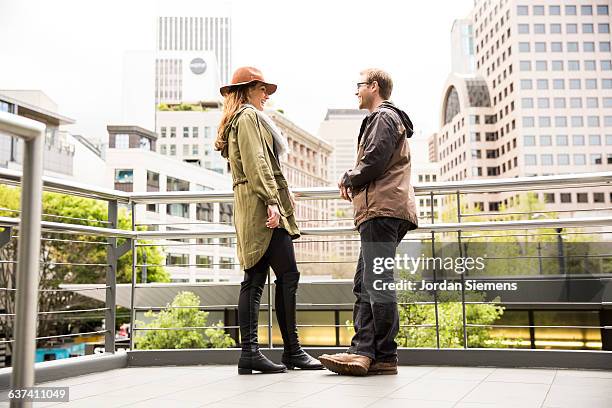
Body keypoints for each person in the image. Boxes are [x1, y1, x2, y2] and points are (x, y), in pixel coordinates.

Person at [215, 66, 323, 375]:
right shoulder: (248, 118)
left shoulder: (245, 119)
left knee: (257, 277)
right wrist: (272, 201)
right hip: (261, 206)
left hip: (253, 204)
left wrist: (281, 194)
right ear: (248, 90)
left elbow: (261, 165)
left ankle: (255, 353)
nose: (266, 94)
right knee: (284, 276)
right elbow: (256, 162)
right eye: (262, 88)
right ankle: (290, 351)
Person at [319, 68, 418, 376]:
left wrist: (349, 176)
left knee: (377, 284)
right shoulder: (384, 119)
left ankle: (385, 355)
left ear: (374, 87)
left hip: (382, 211)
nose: (356, 91)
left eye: (359, 86)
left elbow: (374, 159)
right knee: (365, 283)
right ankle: (364, 350)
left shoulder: (384, 118)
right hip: (379, 212)